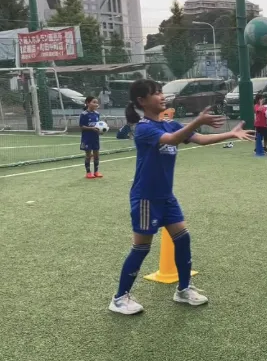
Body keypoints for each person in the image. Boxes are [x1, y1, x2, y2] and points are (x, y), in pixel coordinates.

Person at [108, 79, 255, 315]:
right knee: (141, 248)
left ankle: (184, 289)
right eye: (155, 93)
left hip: (166, 197)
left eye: (161, 92)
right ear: (141, 101)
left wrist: (231, 133)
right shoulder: (145, 128)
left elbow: (199, 139)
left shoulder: (170, 124)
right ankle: (119, 298)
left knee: (183, 238)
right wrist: (196, 121)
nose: (161, 96)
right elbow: (172, 140)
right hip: (146, 198)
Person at [79, 96, 103, 178]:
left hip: (95, 137)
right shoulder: (84, 114)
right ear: (88, 103)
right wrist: (91, 128)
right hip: (87, 138)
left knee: (96, 154)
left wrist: (100, 131)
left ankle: (96, 171)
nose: (96, 104)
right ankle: (88, 172)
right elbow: (81, 126)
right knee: (88, 155)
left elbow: (98, 125)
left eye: (97, 102)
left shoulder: (97, 114)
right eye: (94, 102)